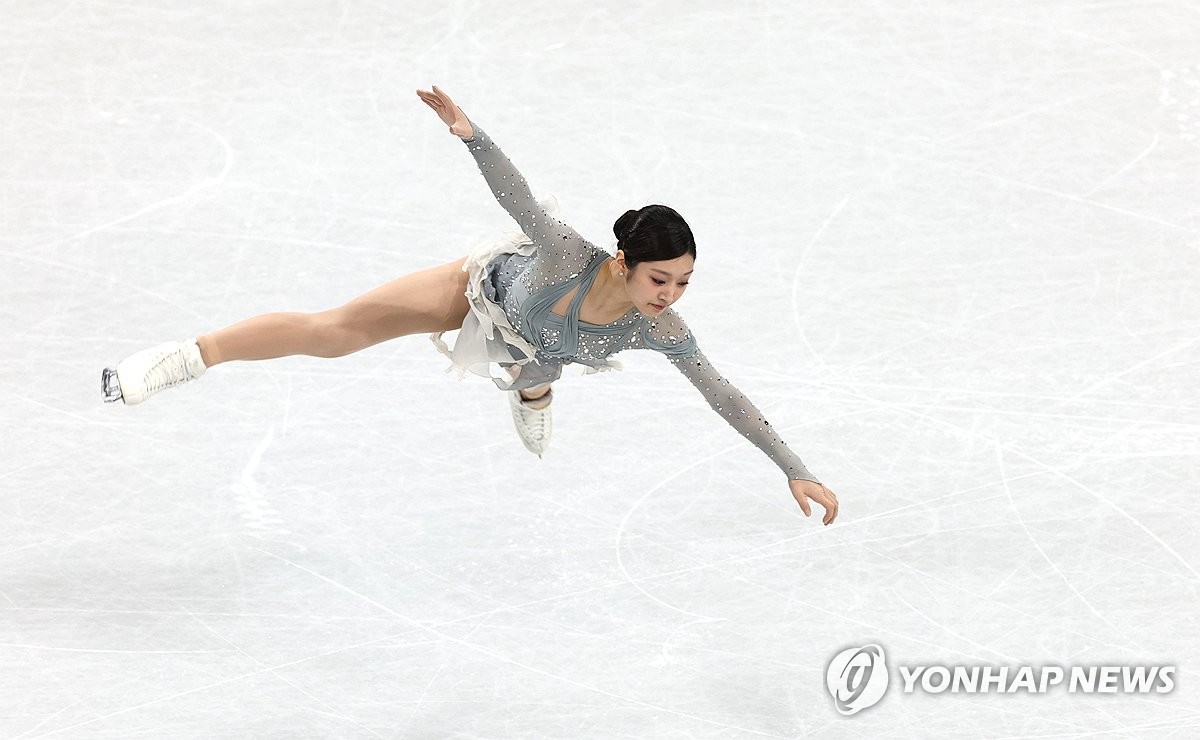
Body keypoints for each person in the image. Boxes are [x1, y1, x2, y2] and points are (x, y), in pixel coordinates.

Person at [100, 84, 839, 526]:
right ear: (624, 262)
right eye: (660, 280)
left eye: (682, 283)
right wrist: (472, 136)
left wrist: (793, 467)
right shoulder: (566, 256)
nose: (669, 295)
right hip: (479, 297)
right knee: (335, 332)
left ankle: (534, 393)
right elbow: (519, 197)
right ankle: (188, 356)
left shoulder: (662, 330)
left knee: (535, 370)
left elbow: (724, 396)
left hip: (541, 350)